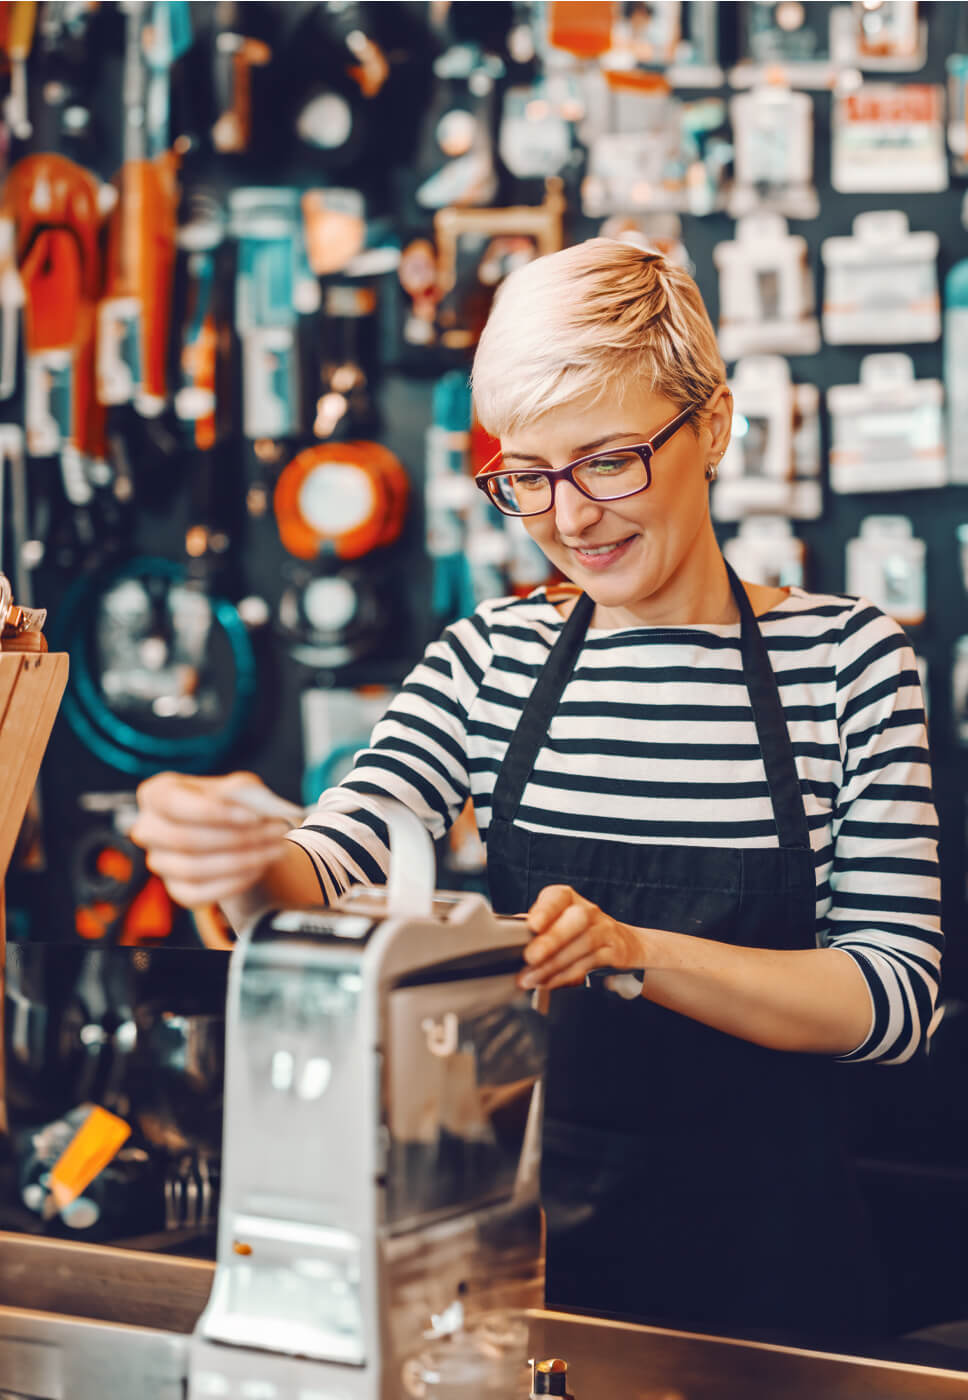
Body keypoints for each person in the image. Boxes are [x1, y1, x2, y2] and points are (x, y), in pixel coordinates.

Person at [132, 238, 942, 1344]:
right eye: (527, 473)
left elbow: (889, 999)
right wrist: (237, 855)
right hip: (522, 1275)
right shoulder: (491, 657)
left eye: (608, 460)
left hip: (776, 1293)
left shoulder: (845, 660)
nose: (568, 518)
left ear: (710, 423)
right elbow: (330, 862)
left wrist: (633, 950)